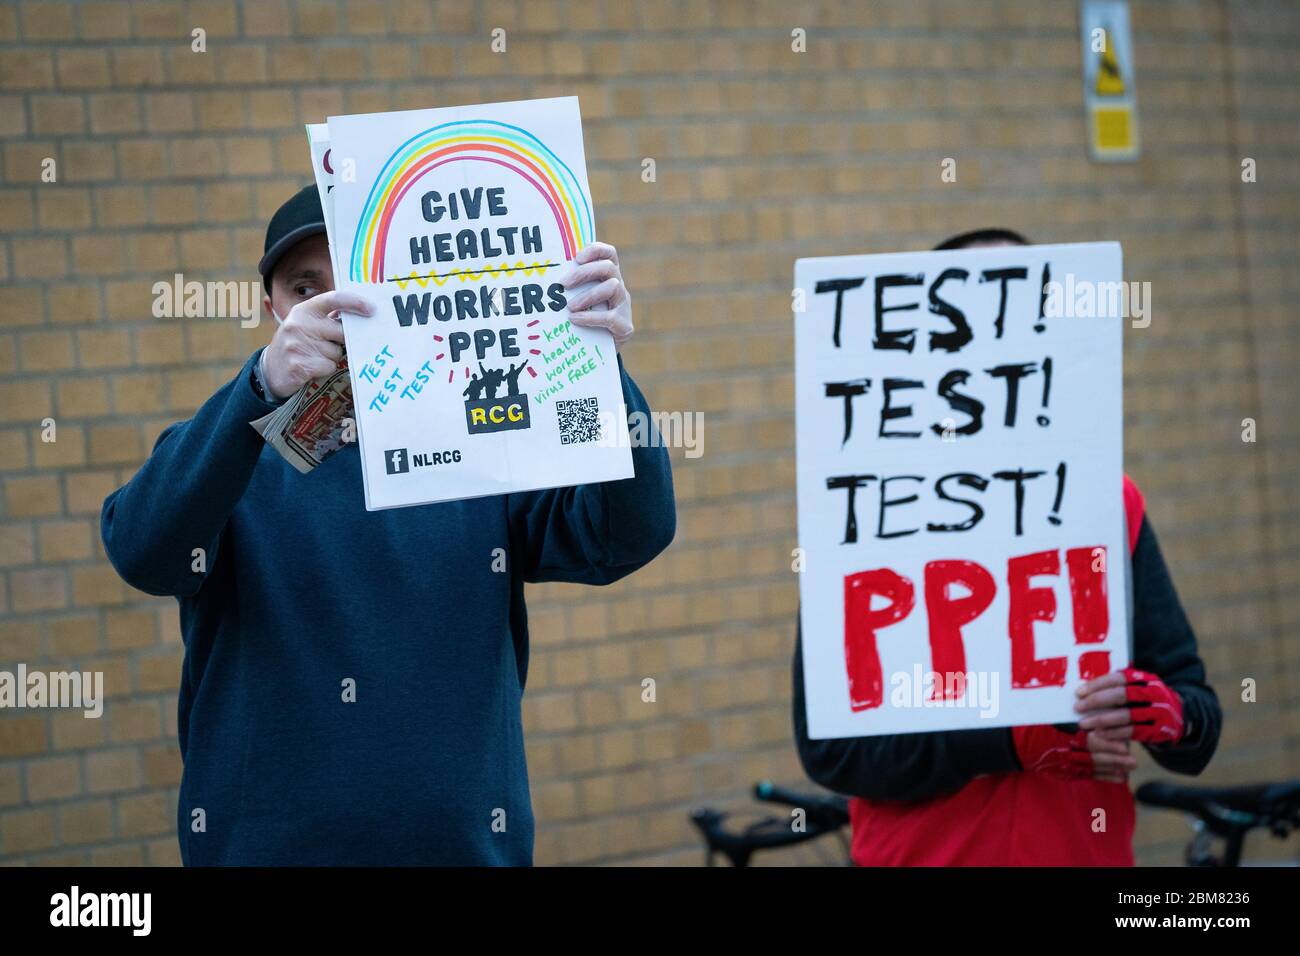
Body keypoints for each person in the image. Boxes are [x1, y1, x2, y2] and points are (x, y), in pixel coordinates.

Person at [101, 185, 676, 865]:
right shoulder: (224, 452)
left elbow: (623, 536)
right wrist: (256, 387)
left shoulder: (475, 448)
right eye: (305, 288)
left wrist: (598, 363)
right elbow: (143, 551)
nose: (334, 310)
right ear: (274, 312)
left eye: (353, 285)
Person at [792, 227, 1221, 866]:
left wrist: (1166, 715)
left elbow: (1196, 715)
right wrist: (1009, 742)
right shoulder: (863, 512)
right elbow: (833, 751)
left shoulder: (1110, 502)